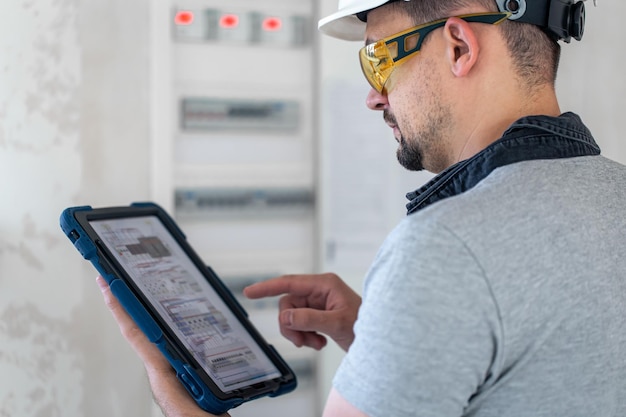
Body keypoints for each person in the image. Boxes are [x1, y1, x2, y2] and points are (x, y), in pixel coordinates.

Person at [98, 0, 626, 416]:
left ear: (459, 46)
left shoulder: (446, 248)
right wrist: (386, 335)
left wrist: (171, 389)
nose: (373, 96)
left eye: (377, 58)